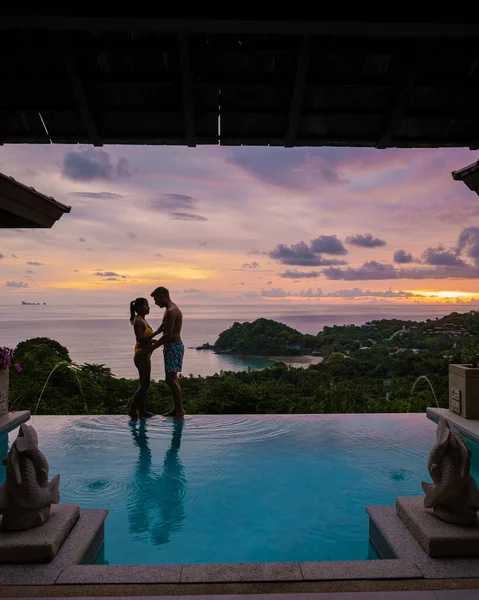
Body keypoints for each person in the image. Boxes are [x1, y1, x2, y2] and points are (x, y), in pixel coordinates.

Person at [149, 286, 185, 419]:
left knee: (170, 380)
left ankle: (180, 410)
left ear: (163, 296)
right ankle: (177, 409)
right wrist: (151, 336)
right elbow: (163, 327)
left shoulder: (171, 311)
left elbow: (168, 335)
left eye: (156, 299)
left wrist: (150, 349)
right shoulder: (169, 309)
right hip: (172, 346)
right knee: (173, 379)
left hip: (173, 346)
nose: (155, 302)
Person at [129, 297, 162, 420]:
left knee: (144, 384)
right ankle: (133, 410)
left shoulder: (143, 320)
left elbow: (146, 338)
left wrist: (155, 340)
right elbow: (140, 339)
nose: (148, 308)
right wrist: (157, 332)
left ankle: (142, 411)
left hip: (145, 354)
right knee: (145, 385)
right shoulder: (138, 321)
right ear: (138, 308)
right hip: (141, 355)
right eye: (146, 305)